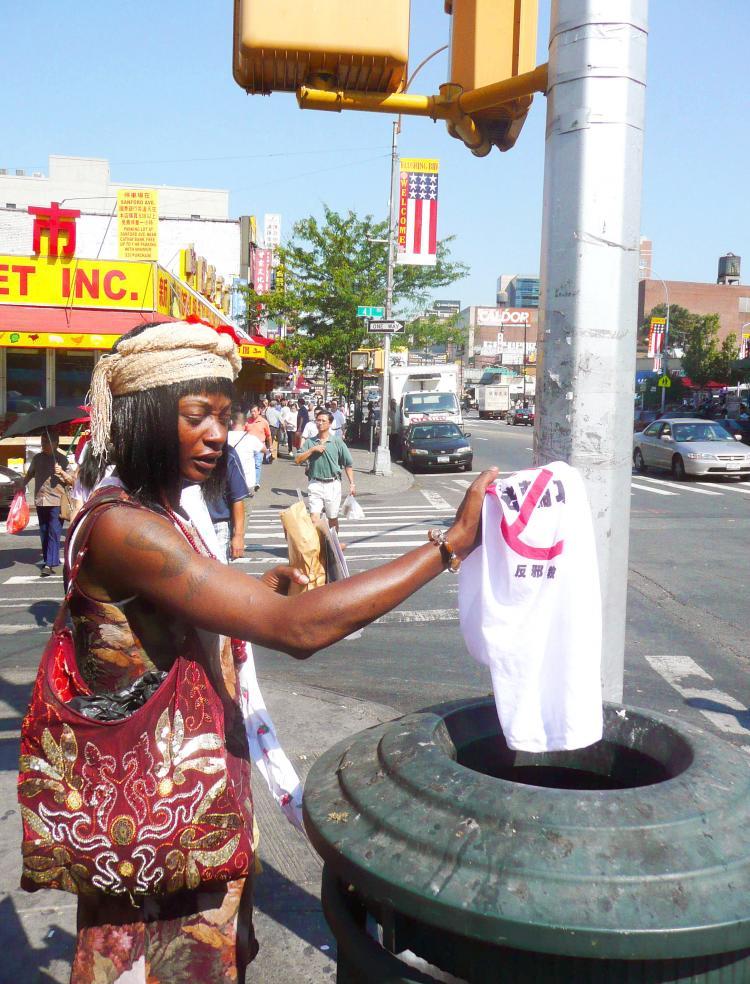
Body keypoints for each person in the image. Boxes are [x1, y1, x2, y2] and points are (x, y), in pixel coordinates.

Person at [20, 318, 494, 983]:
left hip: (182, 823)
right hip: (157, 840)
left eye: (224, 415)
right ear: (149, 417)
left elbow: (184, 611)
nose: (219, 434)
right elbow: (296, 630)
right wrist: (447, 547)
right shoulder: (127, 527)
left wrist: (250, 590)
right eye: (197, 416)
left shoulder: (157, 510)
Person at [21, 430, 75, 576]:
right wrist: (20, 485)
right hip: (40, 500)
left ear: (55, 443)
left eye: (46, 442)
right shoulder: (37, 458)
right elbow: (30, 474)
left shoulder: (62, 460)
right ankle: (48, 560)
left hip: (57, 501)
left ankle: (49, 564)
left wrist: (62, 472)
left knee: (54, 532)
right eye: (42, 442)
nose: (43, 445)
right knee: (44, 532)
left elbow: (72, 481)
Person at [295, 410, 355, 532]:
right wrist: (312, 450)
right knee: (314, 519)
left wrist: (352, 484)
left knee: (332, 518)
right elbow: (297, 459)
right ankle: (319, 548)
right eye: (318, 420)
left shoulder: (337, 442)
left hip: (332, 484)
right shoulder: (310, 442)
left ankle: (333, 548)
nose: (320, 423)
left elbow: (348, 464)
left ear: (330, 424)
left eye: (323, 421)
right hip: (315, 484)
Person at [206, 444, 251, 562]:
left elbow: (237, 498)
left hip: (218, 523)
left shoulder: (228, 454)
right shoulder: (181, 451)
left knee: (218, 572)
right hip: (185, 523)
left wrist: (239, 536)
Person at [227, 409, 262, 491]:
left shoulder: (224, 437)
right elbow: (263, 449)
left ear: (231, 422)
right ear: (246, 424)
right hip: (247, 482)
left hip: (228, 481)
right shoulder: (251, 438)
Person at [244, 404, 271, 485]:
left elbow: (268, 435)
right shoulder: (247, 421)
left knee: (257, 465)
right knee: (248, 465)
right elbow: (242, 432)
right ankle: (248, 482)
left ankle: (256, 483)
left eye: (255, 411)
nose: (253, 413)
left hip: (260, 447)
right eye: (251, 411)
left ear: (259, 411)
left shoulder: (264, 422)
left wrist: (271, 446)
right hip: (248, 447)